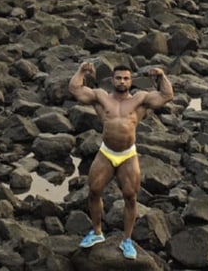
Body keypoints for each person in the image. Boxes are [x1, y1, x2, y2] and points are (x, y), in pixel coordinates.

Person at [69, 62, 173, 260]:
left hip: (128, 154)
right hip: (106, 153)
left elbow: (167, 96)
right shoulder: (101, 97)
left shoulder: (140, 99)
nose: (122, 81)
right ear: (112, 80)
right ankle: (97, 232)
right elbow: (75, 89)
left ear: (131, 81)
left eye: (126, 78)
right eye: (118, 78)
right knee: (94, 191)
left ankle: (127, 240)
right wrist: (82, 70)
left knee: (130, 197)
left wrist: (161, 76)